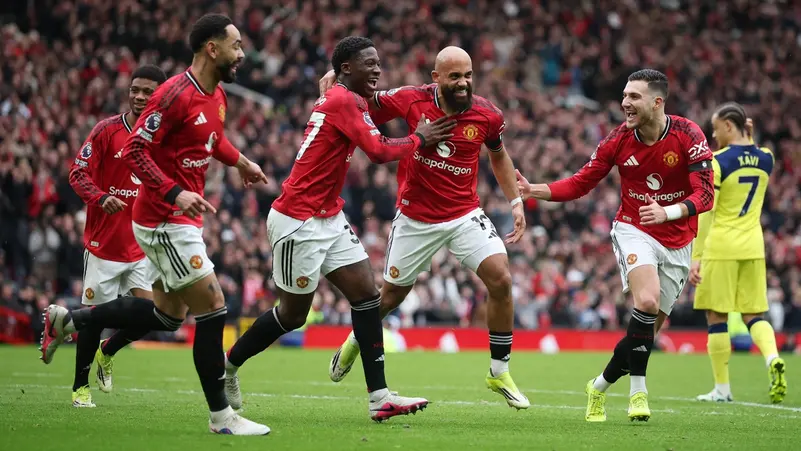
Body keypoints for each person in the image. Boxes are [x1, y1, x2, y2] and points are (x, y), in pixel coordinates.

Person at [39, 13, 271, 435]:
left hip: (181, 219)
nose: (242, 53)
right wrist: (174, 192)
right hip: (164, 219)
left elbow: (214, 140)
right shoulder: (173, 95)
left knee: (168, 316)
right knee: (213, 307)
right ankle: (221, 417)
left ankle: (69, 320)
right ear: (212, 48)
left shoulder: (217, 94)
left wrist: (241, 162)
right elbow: (134, 151)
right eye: (236, 45)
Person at [221, 36, 456, 422]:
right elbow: (379, 151)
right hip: (298, 220)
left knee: (367, 297)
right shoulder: (343, 100)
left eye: (378, 62)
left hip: (328, 215)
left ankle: (379, 397)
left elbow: (353, 114)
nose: (378, 69)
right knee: (292, 316)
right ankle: (227, 366)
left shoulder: (343, 97)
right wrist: (420, 138)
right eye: (369, 63)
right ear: (347, 68)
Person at [318, 46, 530, 409]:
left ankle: (499, 371)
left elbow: (499, 155)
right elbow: (358, 102)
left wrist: (515, 201)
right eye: (454, 76)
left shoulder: (487, 114)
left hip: (464, 215)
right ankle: (355, 339)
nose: (463, 83)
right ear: (436, 78)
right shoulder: (411, 99)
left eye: (468, 75)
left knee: (501, 279)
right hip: (416, 219)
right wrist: (336, 82)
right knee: (389, 298)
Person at [516, 69, 715, 422]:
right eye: (624, 95)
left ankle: (598, 386)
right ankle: (638, 394)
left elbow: (706, 195)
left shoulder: (688, 134)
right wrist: (535, 190)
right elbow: (580, 183)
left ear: (657, 102)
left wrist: (668, 212)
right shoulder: (618, 139)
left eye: (634, 96)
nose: (625, 102)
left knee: (645, 334)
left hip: (678, 238)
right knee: (647, 302)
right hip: (634, 228)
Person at [63, 64, 172, 408]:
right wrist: (100, 197)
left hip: (142, 247)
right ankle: (80, 388)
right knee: (92, 320)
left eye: (147, 92)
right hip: (104, 247)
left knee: (157, 315)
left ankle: (108, 351)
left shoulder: (165, 137)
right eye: (134, 90)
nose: (139, 96)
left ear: (159, 96)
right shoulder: (106, 131)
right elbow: (77, 173)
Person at [690, 104, 786, 404]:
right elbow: (750, 152)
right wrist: (749, 137)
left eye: (716, 128)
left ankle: (722, 389)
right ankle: (772, 358)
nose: (713, 135)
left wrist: (696, 256)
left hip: (721, 247)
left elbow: (707, 210)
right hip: (753, 246)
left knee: (716, 316)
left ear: (729, 126)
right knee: (754, 314)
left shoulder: (717, 162)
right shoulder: (766, 158)